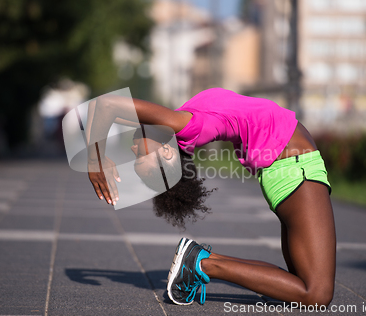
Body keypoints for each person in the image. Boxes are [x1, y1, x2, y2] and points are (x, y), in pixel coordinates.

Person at [86, 88, 336, 308]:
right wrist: (94, 159)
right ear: (166, 153)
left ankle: (201, 260)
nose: (133, 151)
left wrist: (96, 156)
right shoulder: (186, 124)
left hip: (287, 168)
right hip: (294, 168)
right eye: (141, 159)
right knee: (316, 294)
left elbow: (105, 107)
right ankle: (204, 264)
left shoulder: (181, 119)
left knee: (297, 283)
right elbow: (108, 105)